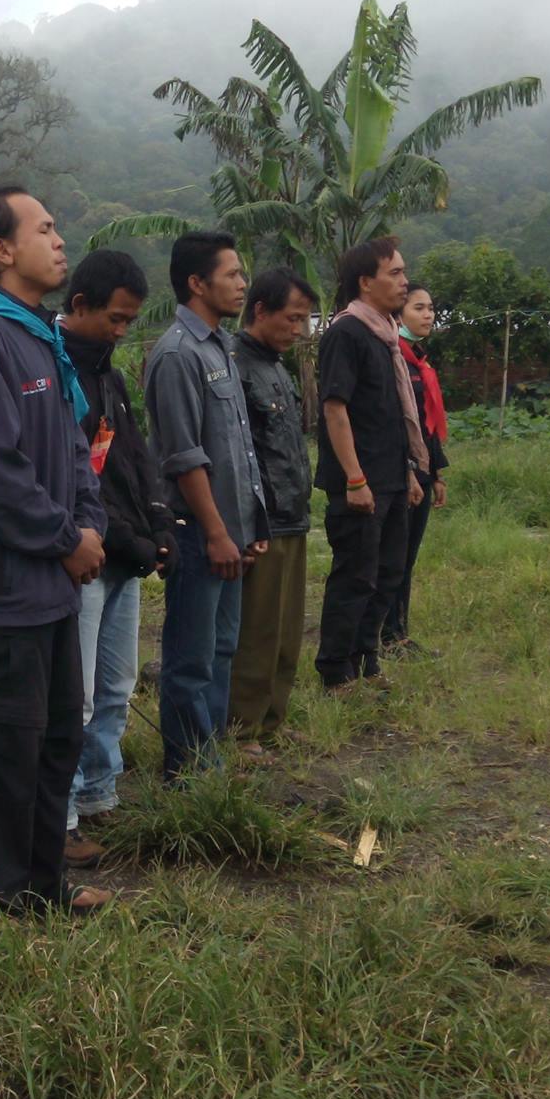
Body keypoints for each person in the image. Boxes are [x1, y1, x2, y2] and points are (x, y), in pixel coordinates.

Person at [0, 185, 113, 917]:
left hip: (48, 586)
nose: (59, 239)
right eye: (44, 227)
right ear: (3, 250)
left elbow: (72, 448)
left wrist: (89, 524)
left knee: (56, 739)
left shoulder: (38, 335)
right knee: (1, 750)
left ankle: (42, 888)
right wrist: (67, 539)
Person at [56, 249, 171, 865]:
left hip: (122, 554)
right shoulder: (58, 369)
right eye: (116, 319)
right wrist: (128, 538)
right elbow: (83, 476)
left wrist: (158, 525)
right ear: (79, 307)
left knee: (117, 685)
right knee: (75, 693)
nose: (123, 331)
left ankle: (100, 792)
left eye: (130, 321)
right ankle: (63, 812)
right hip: (87, 552)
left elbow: (132, 459)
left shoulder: (111, 374)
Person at [143, 231, 268, 780]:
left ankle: (211, 756)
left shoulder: (220, 345)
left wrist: (251, 525)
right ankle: (189, 771)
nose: (243, 283)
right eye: (232, 274)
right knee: (190, 659)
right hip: (199, 532)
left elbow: (239, 449)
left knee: (221, 649)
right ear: (197, 283)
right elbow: (184, 458)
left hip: (231, 530)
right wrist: (217, 532)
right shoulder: (176, 354)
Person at [313, 236, 428, 691]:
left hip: (391, 478)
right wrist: (355, 479)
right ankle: (335, 670)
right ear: (365, 282)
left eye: (403, 272)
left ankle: (367, 660)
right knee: (354, 577)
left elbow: (389, 414)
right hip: (359, 484)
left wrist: (407, 473)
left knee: (387, 574)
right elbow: (335, 409)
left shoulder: (384, 335)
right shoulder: (347, 333)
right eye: (395, 274)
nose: (404, 282)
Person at [228, 267, 316, 746]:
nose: (298, 330)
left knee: (286, 634)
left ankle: (271, 723)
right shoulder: (233, 364)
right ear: (260, 310)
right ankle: (242, 733)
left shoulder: (276, 366)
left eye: (303, 320)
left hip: (292, 517)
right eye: (292, 318)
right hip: (260, 522)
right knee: (256, 636)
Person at [380, 283, 449, 655]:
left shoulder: (420, 360)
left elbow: (427, 426)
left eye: (431, 308)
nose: (428, 315)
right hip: (400, 473)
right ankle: (387, 635)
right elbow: (397, 424)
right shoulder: (395, 361)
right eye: (419, 308)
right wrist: (409, 472)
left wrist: (436, 473)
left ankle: (399, 632)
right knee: (392, 558)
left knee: (407, 557)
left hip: (422, 471)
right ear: (399, 314)